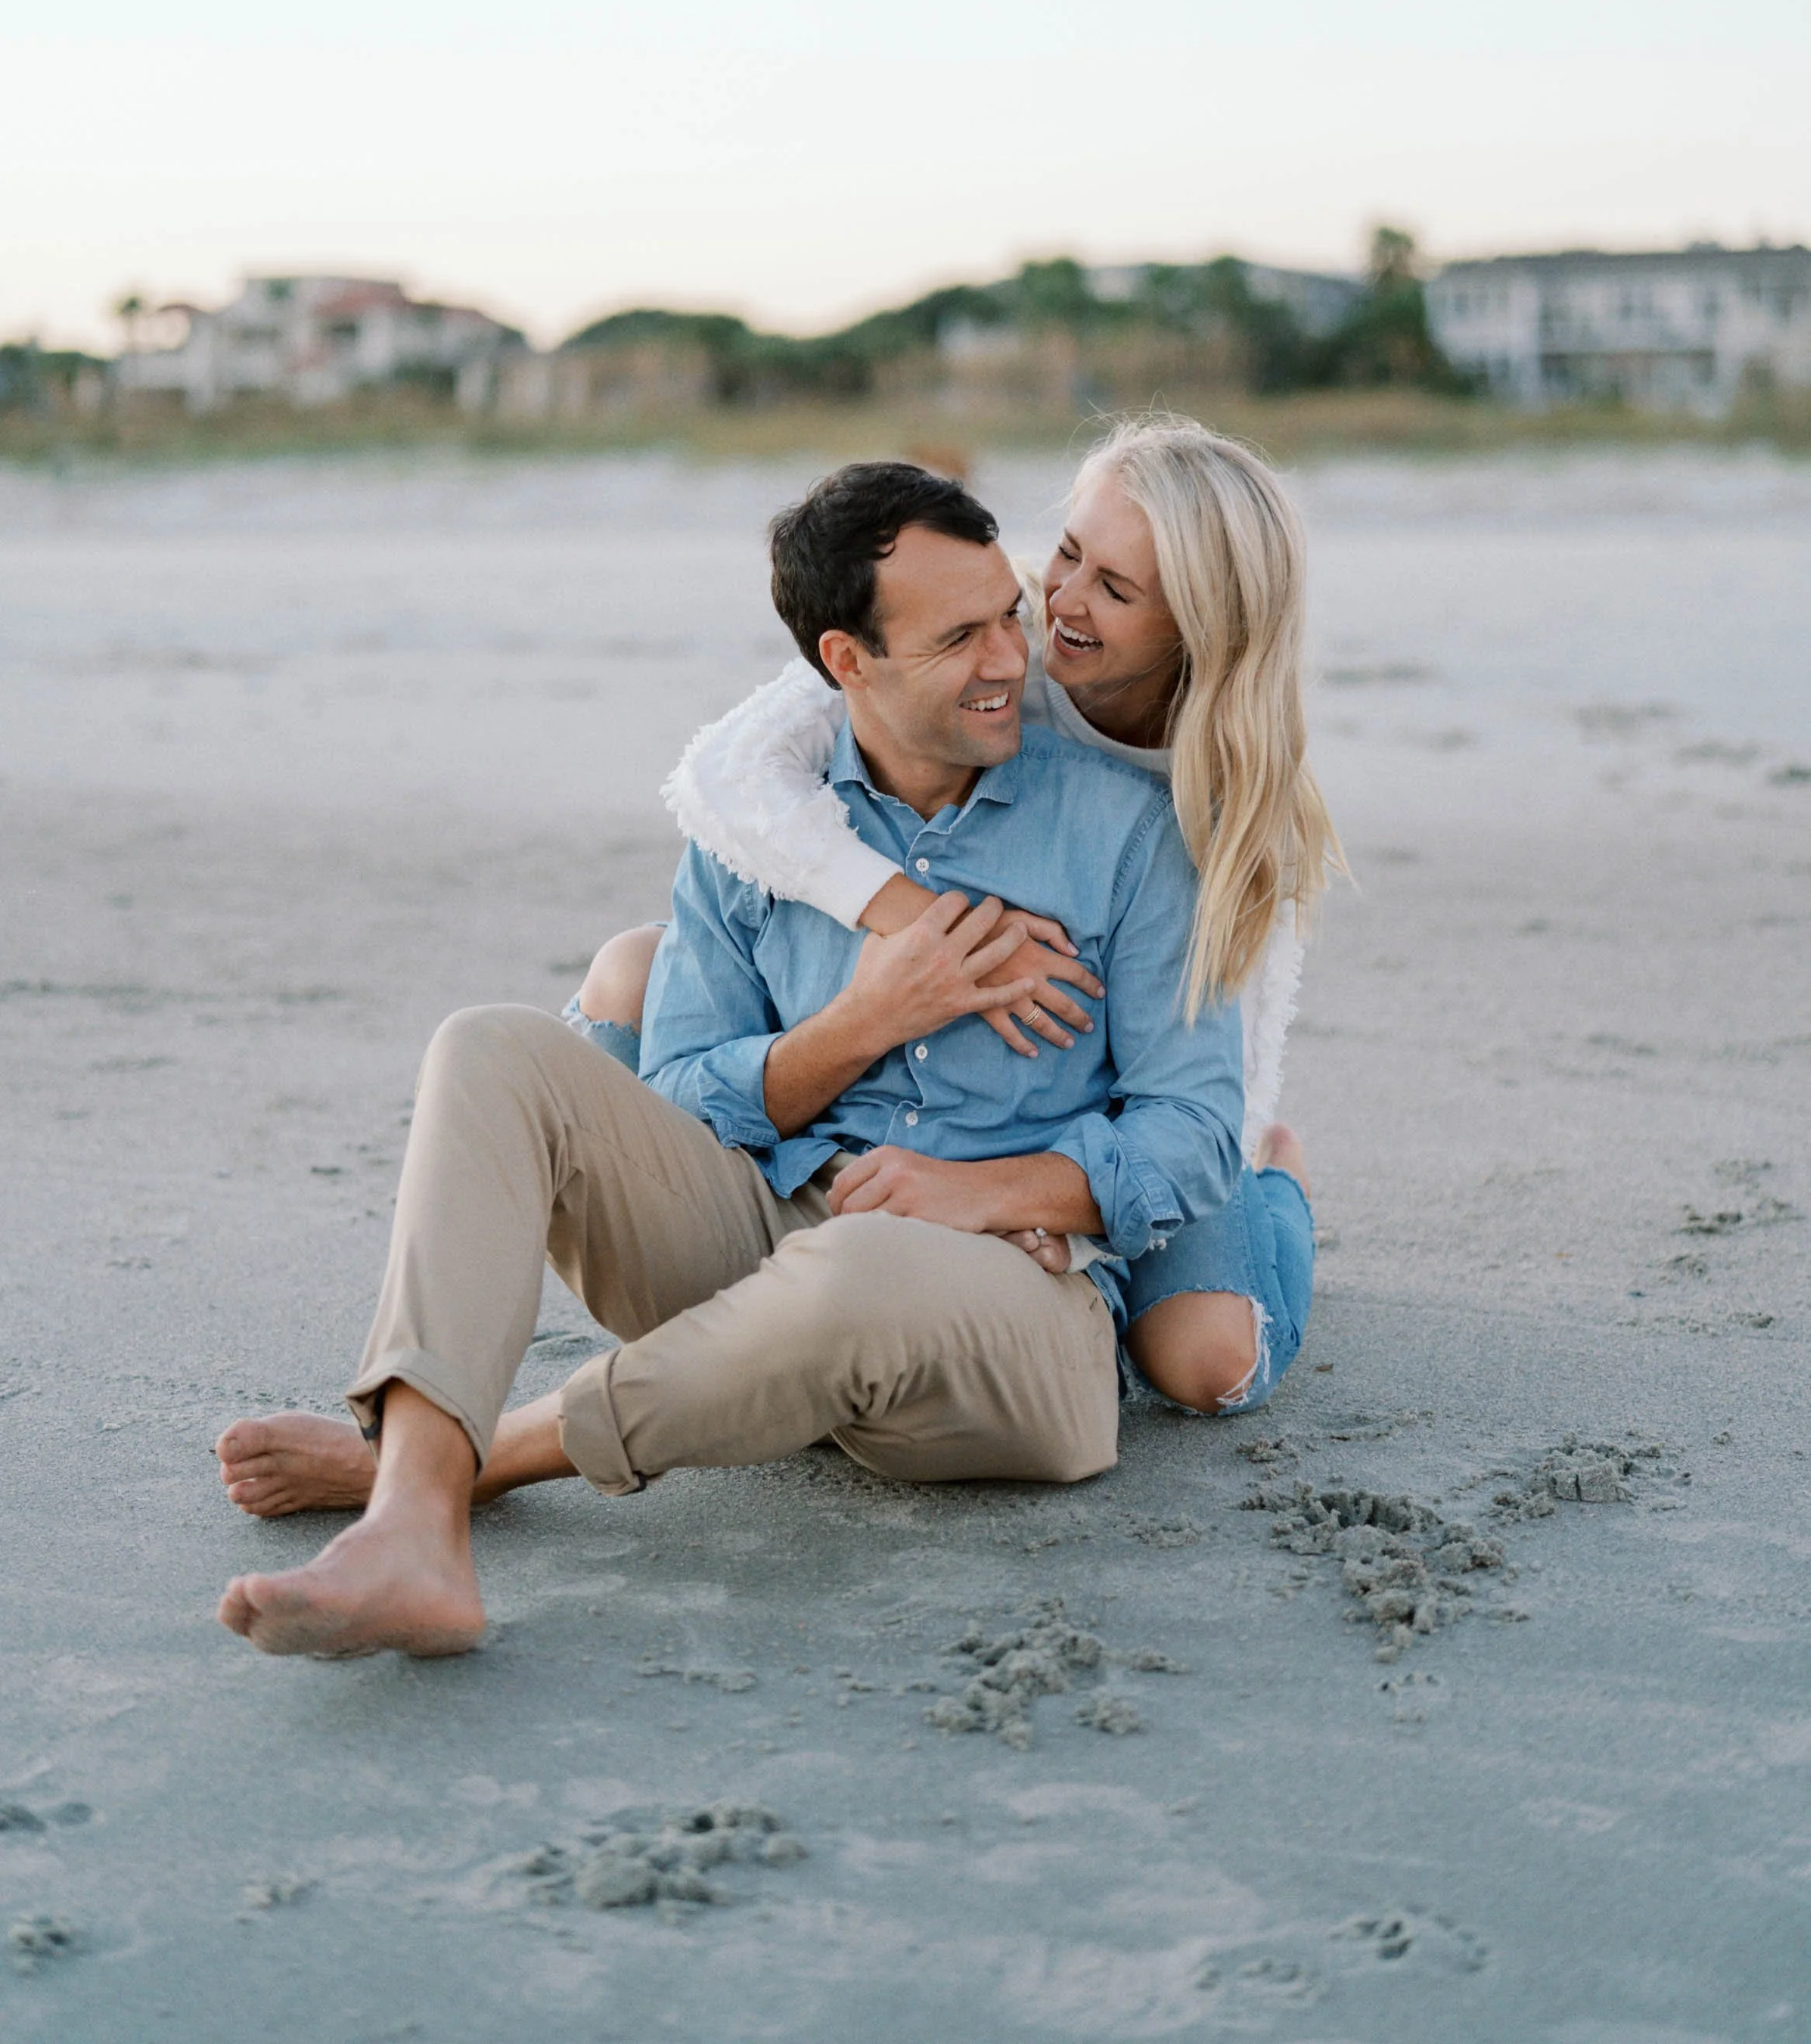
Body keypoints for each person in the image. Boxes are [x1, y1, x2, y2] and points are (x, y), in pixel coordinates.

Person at [214, 462, 1245, 1657]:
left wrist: (981, 1192)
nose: (1013, 660)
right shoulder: (758, 833)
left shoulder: (1128, 833)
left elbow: (1197, 1131)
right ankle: (407, 1535)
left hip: (1010, 1314)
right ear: (846, 662)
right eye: (960, 636)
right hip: (763, 1243)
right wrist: (863, 1021)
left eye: (1007, 612)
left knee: (860, 1267)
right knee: (491, 1048)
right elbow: (682, 1096)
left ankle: (462, 1468)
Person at [574, 416, 1341, 1418]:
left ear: (1203, 625)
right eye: (1067, 553)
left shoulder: (1225, 794)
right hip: (963, 1055)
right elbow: (725, 777)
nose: (1058, 602)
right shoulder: (982, 630)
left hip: (1143, 1089)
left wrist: (1041, 1209)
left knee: (1206, 1366)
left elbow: (1197, 1095)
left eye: (1115, 590)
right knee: (634, 971)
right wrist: (921, 924)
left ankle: (1283, 1184)